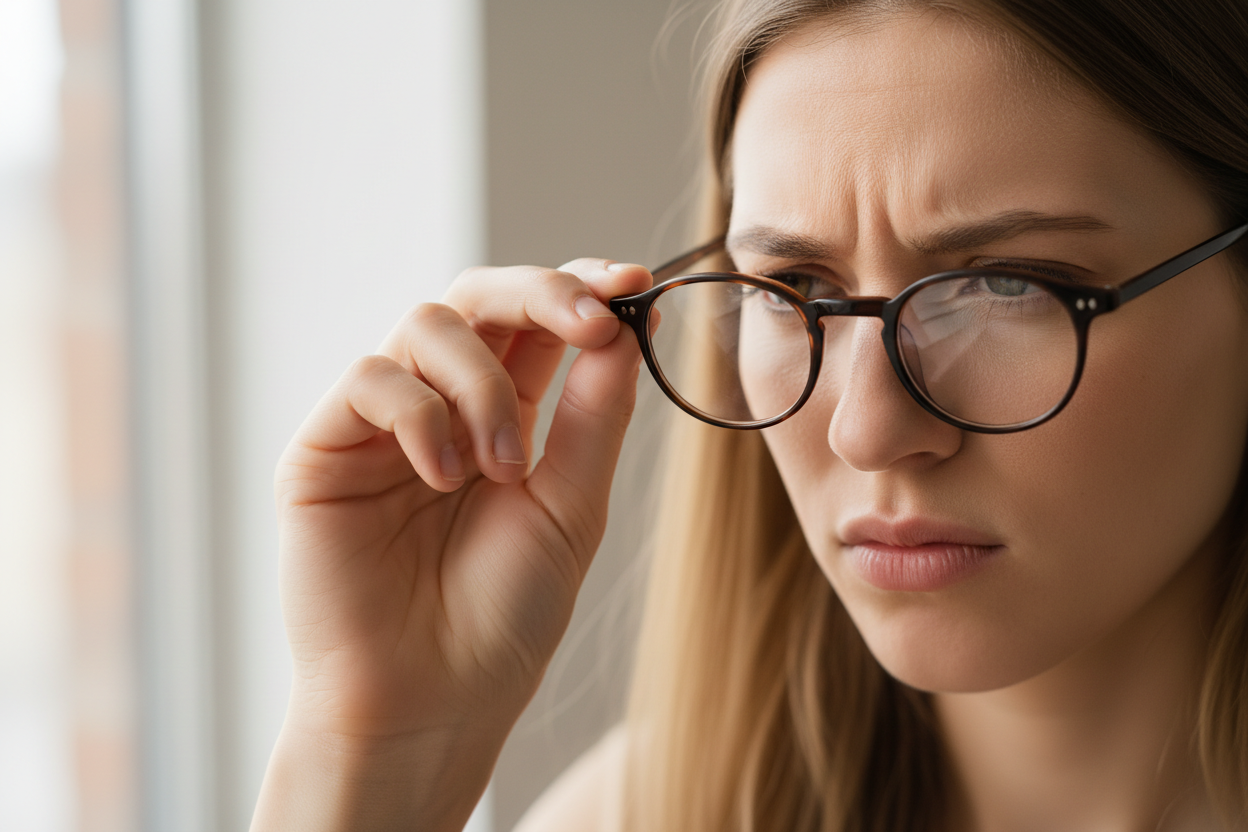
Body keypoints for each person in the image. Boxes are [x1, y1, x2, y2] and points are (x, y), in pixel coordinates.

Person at [249, 1, 1248, 830]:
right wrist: (374, 752)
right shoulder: (649, 815)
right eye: (797, 289)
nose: (864, 430)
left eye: (1004, 287)